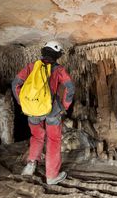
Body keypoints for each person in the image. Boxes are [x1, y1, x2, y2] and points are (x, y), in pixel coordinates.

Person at [12, 41, 75, 185]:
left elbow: (15, 83)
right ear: (57, 55)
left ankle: (30, 166)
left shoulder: (31, 66)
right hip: (52, 111)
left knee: (37, 136)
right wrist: (64, 105)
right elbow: (70, 88)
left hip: (33, 110)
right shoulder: (59, 70)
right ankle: (52, 176)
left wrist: (23, 102)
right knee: (53, 140)